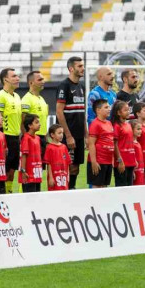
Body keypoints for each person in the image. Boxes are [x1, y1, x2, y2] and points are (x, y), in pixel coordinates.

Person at [56, 56, 86, 189]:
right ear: (71, 68)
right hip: (70, 135)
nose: (82, 68)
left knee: (76, 168)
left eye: (82, 66)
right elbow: (59, 112)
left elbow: (82, 112)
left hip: (79, 135)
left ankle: (72, 189)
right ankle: (64, 192)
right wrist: (68, 136)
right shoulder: (64, 85)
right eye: (79, 66)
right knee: (67, 166)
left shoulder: (81, 86)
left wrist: (85, 135)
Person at [0, 68, 22, 193]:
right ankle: (0, 193)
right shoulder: (0, 96)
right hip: (6, 137)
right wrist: (1, 139)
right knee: (3, 169)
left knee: (12, 169)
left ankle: (8, 192)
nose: (18, 78)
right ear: (6, 79)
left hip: (16, 137)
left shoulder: (17, 96)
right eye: (14, 76)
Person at [87, 99, 114, 188]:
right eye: (106, 107)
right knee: (97, 187)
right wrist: (94, 162)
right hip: (99, 161)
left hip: (108, 161)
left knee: (104, 187)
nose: (109, 109)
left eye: (109, 107)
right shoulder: (95, 124)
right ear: (98, 110)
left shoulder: (109, 123)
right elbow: (91, 144)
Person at [21, 70, 49, 153]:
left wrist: (46, 138)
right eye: (39, 80)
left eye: (43, 79)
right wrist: (27, 139)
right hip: (33, 137)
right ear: (31, 83)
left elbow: (44, 122)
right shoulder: (26, 99)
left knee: (42, 165)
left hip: (42, 137)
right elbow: (22, 121)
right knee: (33, 165)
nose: (43, 82)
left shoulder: (42, 99)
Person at [110, 100, 135, 187]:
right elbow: (115, 144)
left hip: (130, 161)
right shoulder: (116, 126)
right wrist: (120, 161)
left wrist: (134, 159)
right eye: (125, 110)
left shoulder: (128, 125)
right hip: (122, 163)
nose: (128, 112)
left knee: (129, 187)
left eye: (128, 110)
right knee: (122, 188)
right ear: (118, 113)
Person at [19, 114, 43, 192]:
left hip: (37, 174)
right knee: (29, 199)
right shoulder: (26, 138)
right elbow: (24, 155)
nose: (39, 124)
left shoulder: (38, 138)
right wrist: (23, 171)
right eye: (36, 122)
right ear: (30, 125)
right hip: (29, 175)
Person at [44, 124, 71, 190]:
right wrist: (50, 177)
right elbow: (49, 164)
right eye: (59, 133)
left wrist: (68, 175)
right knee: (54, 196)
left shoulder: (64, 147)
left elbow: (67, 163)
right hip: (54, 177)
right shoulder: (49, 147)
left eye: (62, 133)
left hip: (64, 177)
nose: (61, 135)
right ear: (52, 135)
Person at [131, 121, 145, 186]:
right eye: (138, 129)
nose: (140, 131)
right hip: (136, 172)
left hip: (141, 172)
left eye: (141, 129)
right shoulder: (131, 144)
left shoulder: (138, 143)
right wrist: (133, 171)